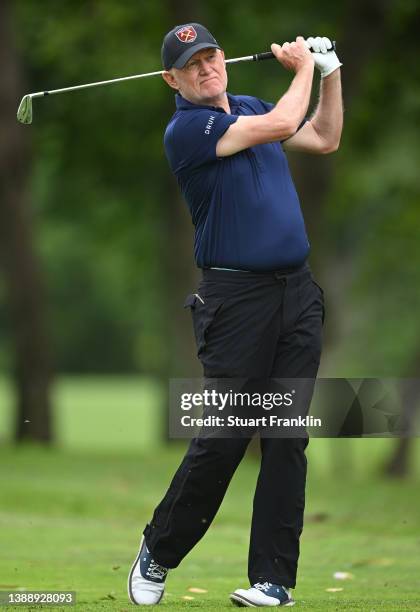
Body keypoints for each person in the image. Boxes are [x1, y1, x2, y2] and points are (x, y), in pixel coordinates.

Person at [128, 22, 343, 607]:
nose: (205, 68)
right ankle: (159, 549)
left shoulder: (247, 103)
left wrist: (330, 74)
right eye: (190, 64)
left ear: (224, 58)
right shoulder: (188, 129)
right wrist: (301, 70)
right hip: (235, 303)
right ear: (172, 79)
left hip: (296, 295)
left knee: (286, 437)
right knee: (223, 440)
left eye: (211, 56)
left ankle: (274, 579)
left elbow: (323, 138)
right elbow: (278, 126)